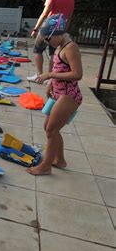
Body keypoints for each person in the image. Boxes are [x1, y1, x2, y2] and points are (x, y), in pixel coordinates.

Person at [26, 14, 83, 176]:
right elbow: (60, 69)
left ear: (58, 34)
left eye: (48, 39)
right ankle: (60, 159)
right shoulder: (59, 47)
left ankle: (46, 166)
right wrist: (51, 84)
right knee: (49, 128)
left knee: (52, 129)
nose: (46, 42)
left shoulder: (71, 48)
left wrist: (49, 75)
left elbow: (77, 74)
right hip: (58, 93)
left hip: (69, 96)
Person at [28, 0, 75, 82]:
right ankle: (50, 78)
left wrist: (36, 29)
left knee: (37, 50)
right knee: (54, 54)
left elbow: (45, 13)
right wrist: (64, 31)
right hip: (60, 29)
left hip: (48, 28)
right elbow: (70, 16)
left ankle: (39, 75)